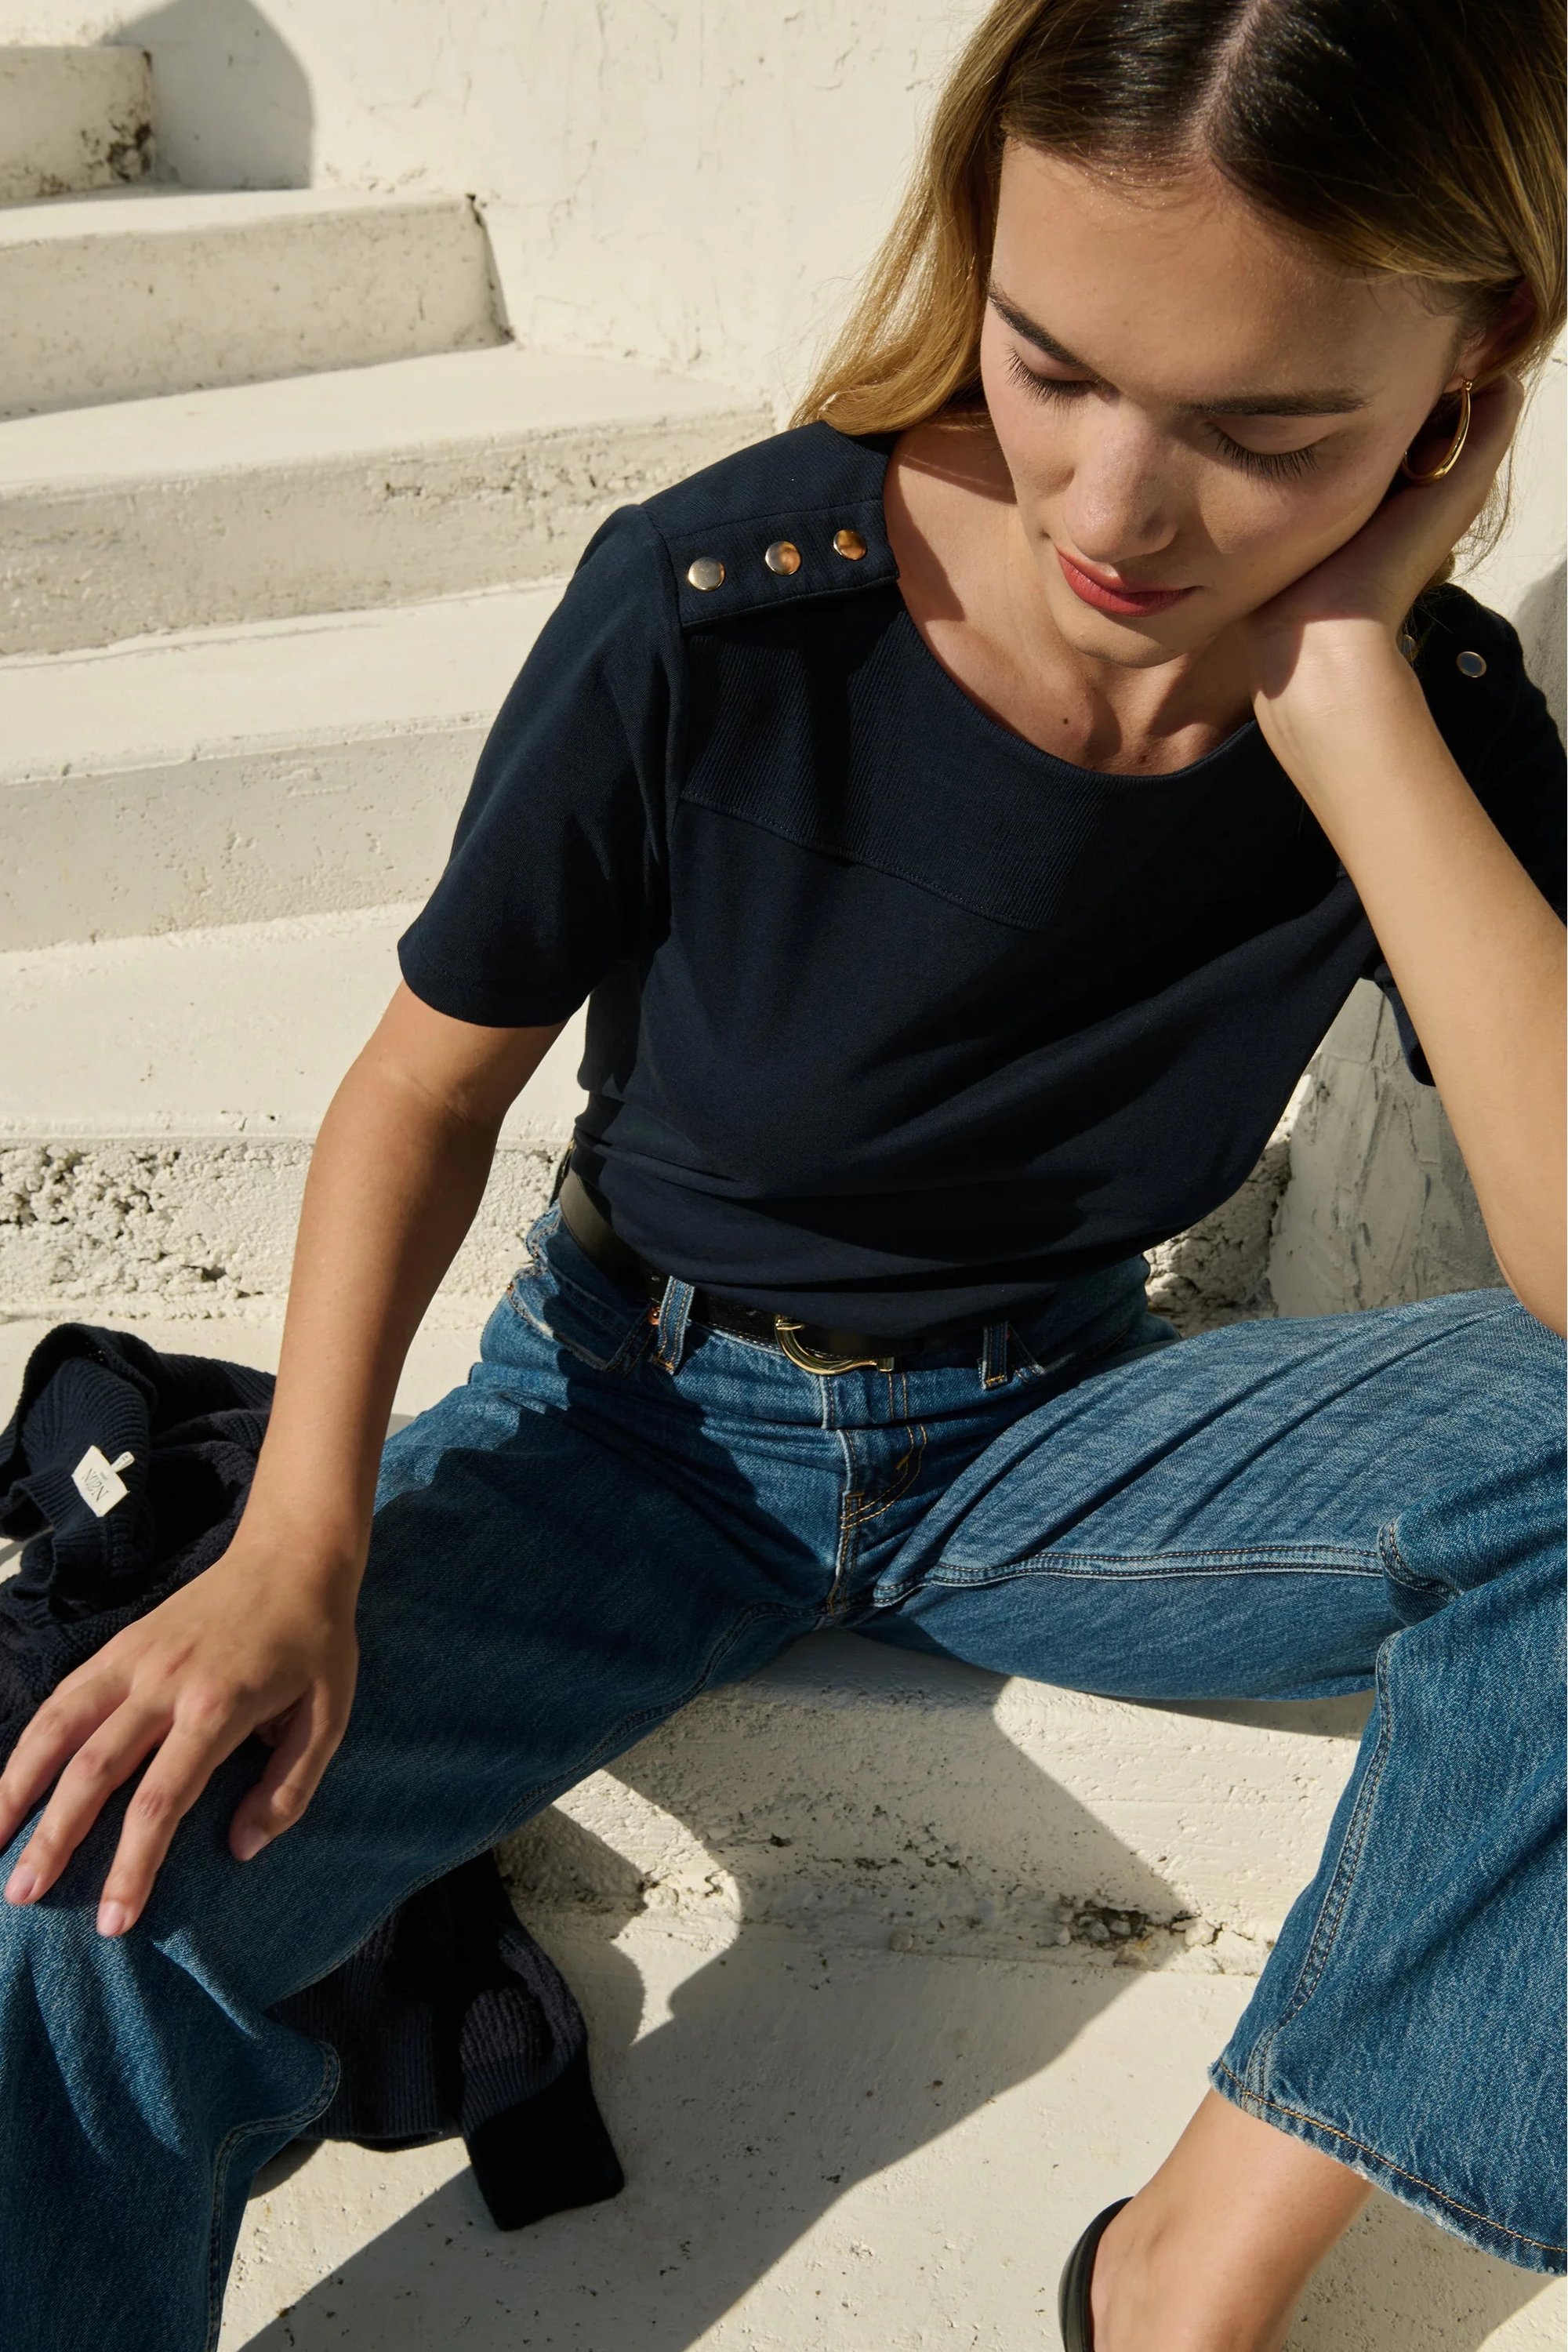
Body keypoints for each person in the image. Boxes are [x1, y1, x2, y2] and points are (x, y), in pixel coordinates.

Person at [5, 0, 1568, 2343]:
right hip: (629, 1426)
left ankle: (1181, 2285)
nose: (1119, 511)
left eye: (1267, 434)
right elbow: (427, 1084)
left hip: (1052, 1433)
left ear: (1465, 389)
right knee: (74, 1911)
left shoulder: (1417, 716)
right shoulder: (722, 607)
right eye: (1051, 366)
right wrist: (304, 1541)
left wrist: (1348, 702)